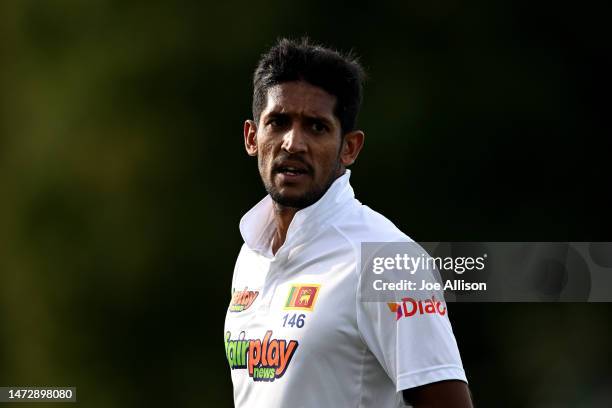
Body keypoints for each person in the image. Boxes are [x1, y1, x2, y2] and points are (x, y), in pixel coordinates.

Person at [224, 37, 472, 407]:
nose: (293, 143)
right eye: (278, 121)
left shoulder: (387, 259)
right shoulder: (251, 254)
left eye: (317, 127)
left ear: (349, 147)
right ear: (252, 137)